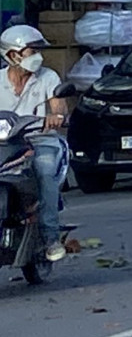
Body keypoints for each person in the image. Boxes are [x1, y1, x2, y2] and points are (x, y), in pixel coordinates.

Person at [0, 25, 69, 263]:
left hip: (40, 140)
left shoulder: (48, 77)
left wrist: (56, 117)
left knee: (45, 170)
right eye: (32, 51)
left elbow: (59, 105)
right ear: (12, 55)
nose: (37, 57)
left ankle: (51, 237)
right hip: (5, 143)